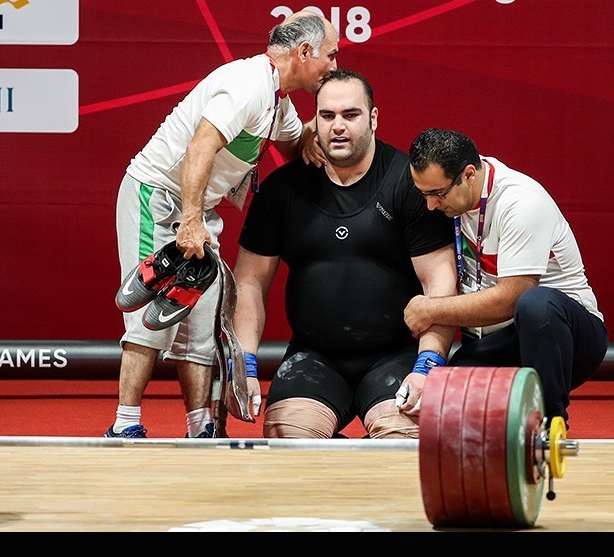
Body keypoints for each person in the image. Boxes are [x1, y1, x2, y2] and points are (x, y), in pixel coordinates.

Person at [107, 11, 340, 439]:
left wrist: (318, 137)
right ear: (305, 52)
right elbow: (200, 148)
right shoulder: (248, 85)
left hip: (198, 209)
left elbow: (296, 152)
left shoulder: (278, 102)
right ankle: (124, 426)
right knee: (148, 320)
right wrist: (191, 221)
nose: (334, 66)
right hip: (158, 195)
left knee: (202, 324)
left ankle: (201, 430)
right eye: (330, 54)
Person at [225, 68, 457, 439]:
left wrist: (428, 364)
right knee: (289, 443)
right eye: (327, 116)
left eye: (350, 115)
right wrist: (246, 363)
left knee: (404, 443)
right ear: (313, 120)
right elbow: (250, 282)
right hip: (313, 357)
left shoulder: (409, 184)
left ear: (373, 118)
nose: (337, 126)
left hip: (396, 355)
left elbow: (440, 284)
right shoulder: (282, 189)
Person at [405, 128, 608, 428]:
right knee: (443, 399)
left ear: (469, 175)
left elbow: (511, 298)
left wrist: (428, 308)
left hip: (567, 337)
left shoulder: (520, 202)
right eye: (423, 194)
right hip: (506, 339)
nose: (430, 205)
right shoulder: (452, 203)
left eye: (437, 194)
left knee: (534, 304)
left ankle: (550, 424)